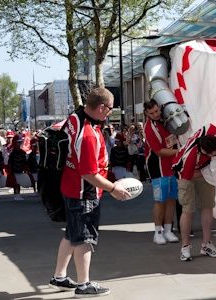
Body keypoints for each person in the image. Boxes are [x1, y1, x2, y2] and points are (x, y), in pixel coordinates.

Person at [49, 87, 131, 298]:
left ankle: (59, 276)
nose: (110, 113)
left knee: (72, 232)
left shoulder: (75, 117)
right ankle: (83, 284)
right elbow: (88, 173)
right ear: (102, 107)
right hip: (83, 192)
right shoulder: (88, 134)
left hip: (70, 186)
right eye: (110, 109)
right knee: (84, 237)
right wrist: (113, 188)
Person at [172, 123, 216, 262]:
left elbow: (213, 125)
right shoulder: (189, 157)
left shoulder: (209, 133)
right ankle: (185, 247)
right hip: (186, 175)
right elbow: (186, 176)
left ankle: (206, 245)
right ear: (204, 152)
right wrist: (200, 172)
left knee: (208, 205)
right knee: (188, 209)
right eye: (214, 155)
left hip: (202, 171)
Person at [143, 100, 179, 245]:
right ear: (146, 113)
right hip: (157, 167)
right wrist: (180, 152)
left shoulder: (166, 120)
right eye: (152, 113)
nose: (156, 114)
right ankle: (158, 232)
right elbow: (159, 152)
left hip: (172, 165)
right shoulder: (149, 128)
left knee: (171, 199)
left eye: (157, 111)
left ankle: (168, 230)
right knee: (160, 200)